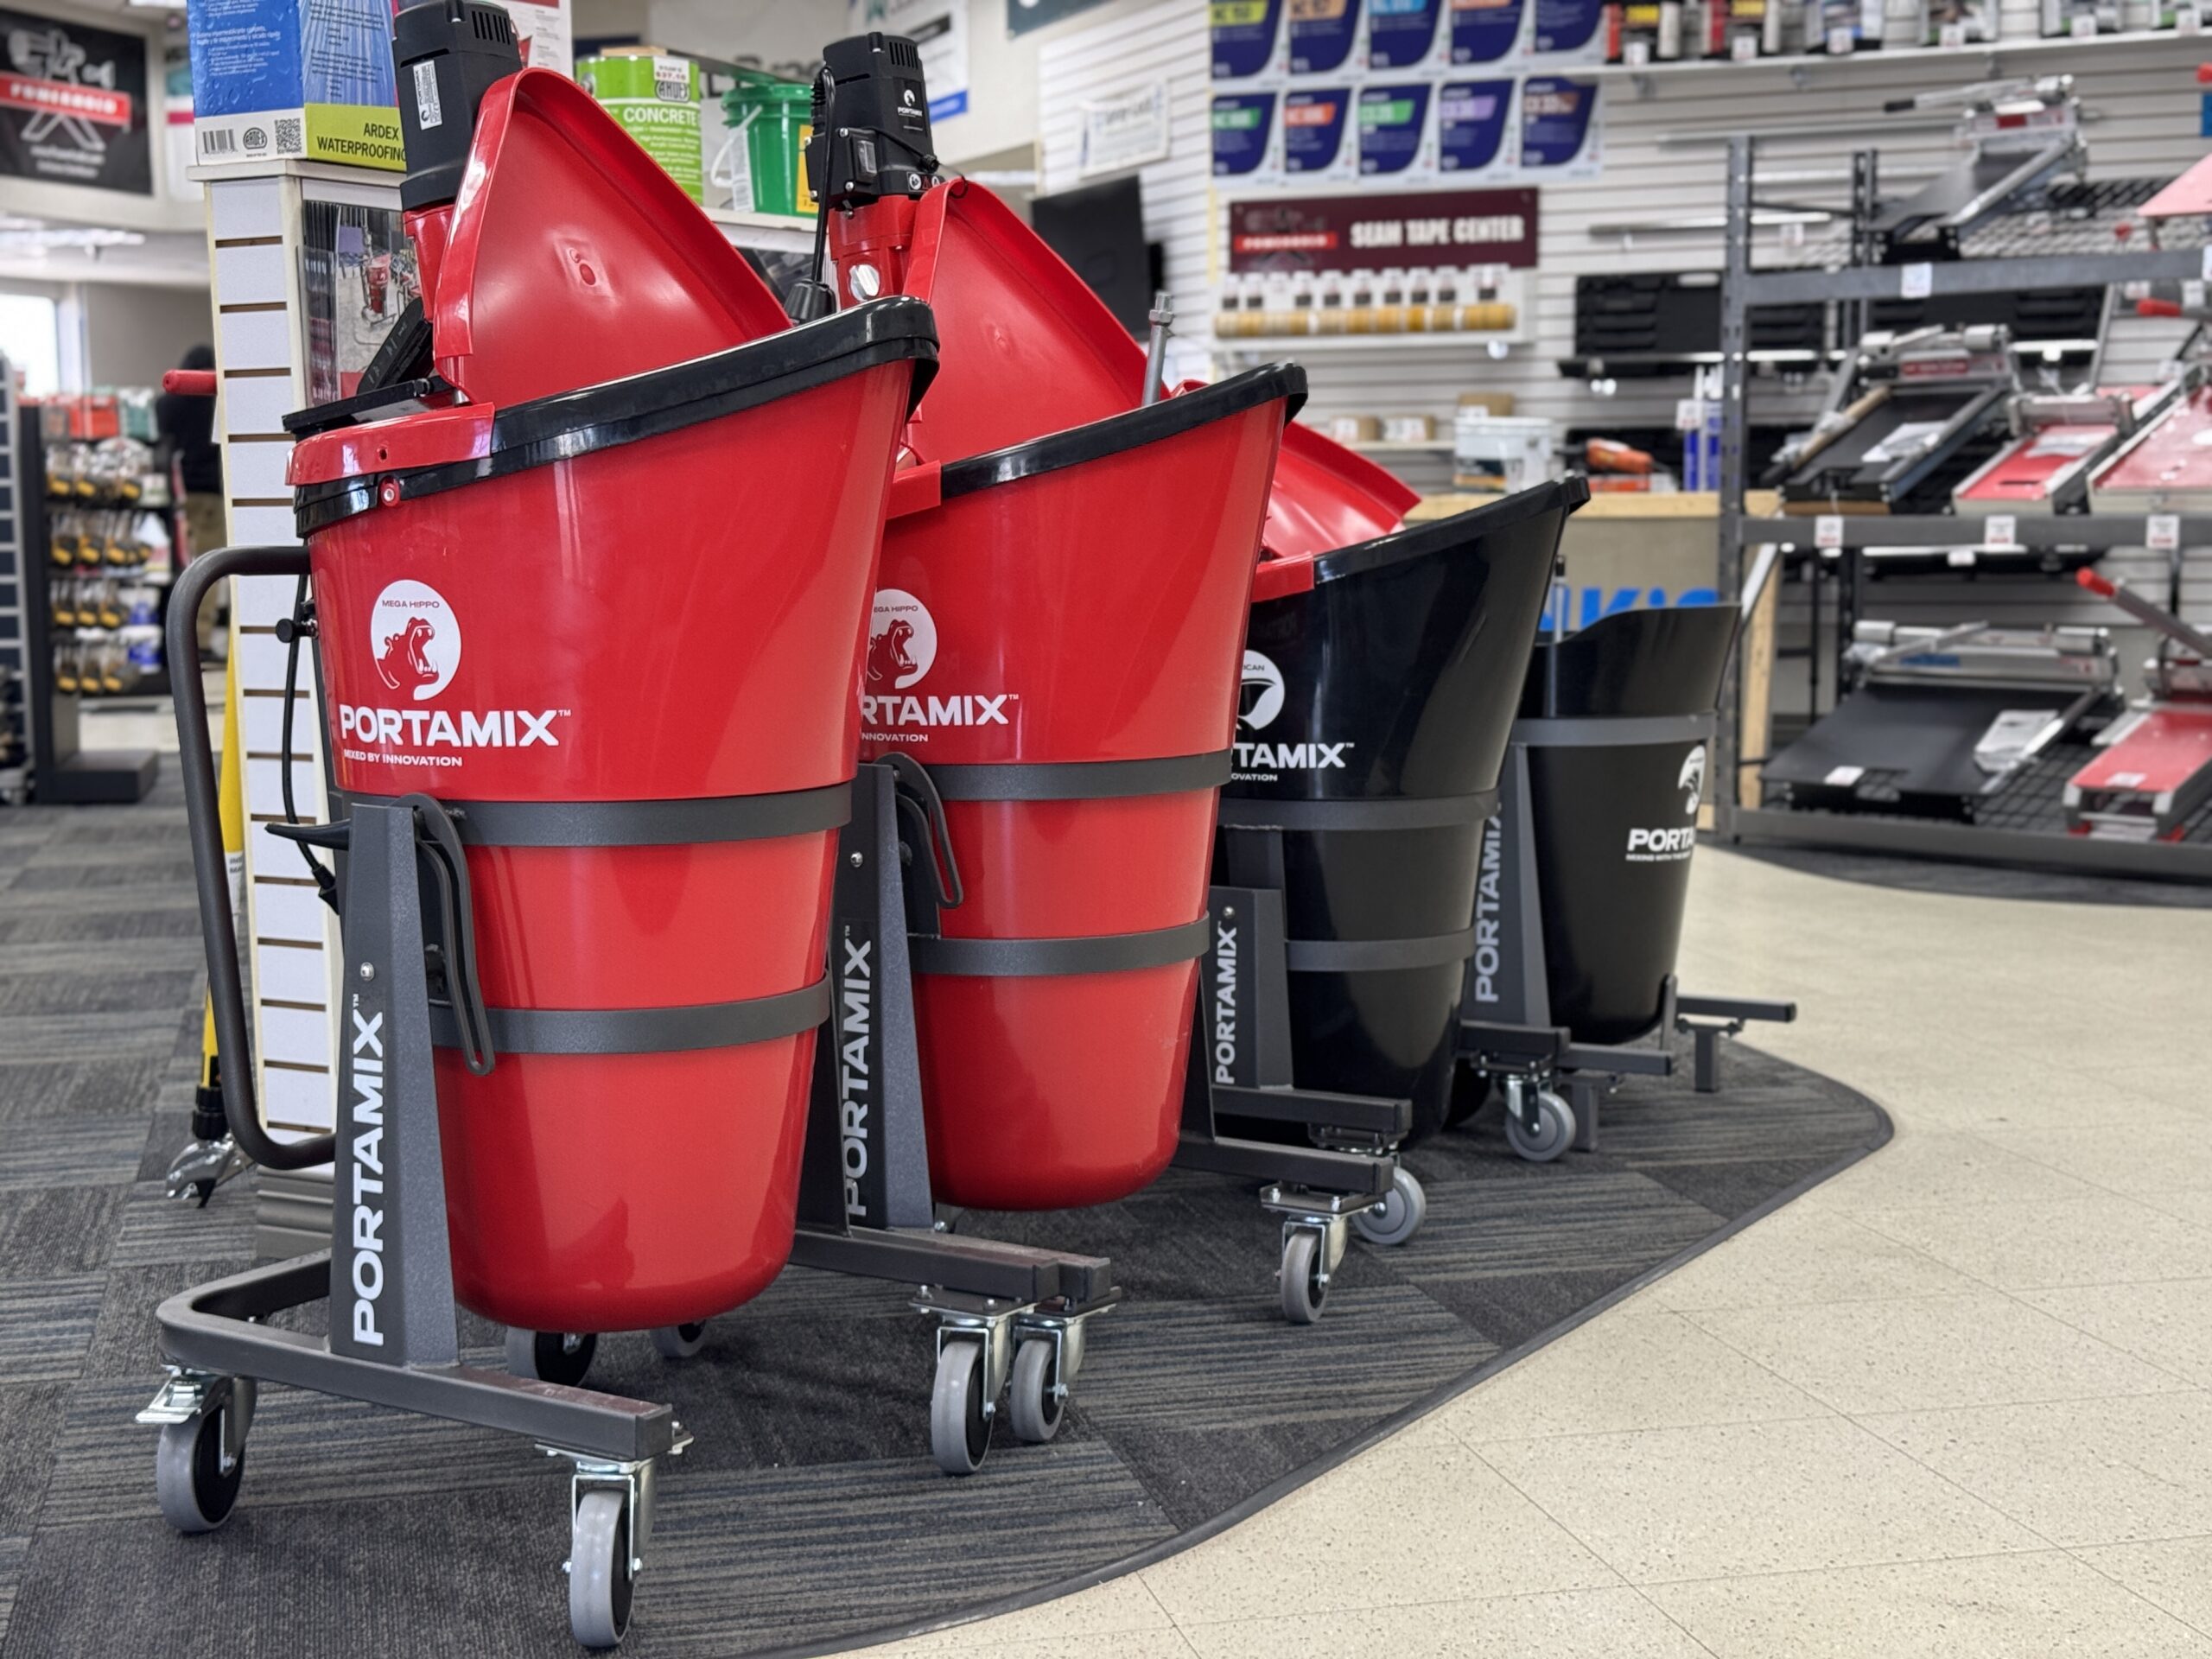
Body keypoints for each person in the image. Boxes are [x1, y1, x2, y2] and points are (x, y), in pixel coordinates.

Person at [156, 343, 224, 563]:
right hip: (209, 492)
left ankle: (177, 598)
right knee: (207, 563)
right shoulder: (216, 403)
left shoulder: (165, 404)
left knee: (176, 560)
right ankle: (197, 599)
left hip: (174, 491)